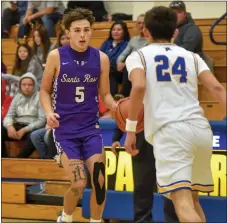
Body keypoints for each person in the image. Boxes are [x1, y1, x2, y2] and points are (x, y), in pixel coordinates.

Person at [124, 6, 226, 223]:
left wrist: (131, 130)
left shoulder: (139, 56)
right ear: (175, 32)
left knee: (182, 203)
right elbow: (218, 89)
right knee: (193, 201)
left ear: (146, 32)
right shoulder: (192, 56)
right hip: (200, 130)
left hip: (171, 132)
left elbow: (139, 86)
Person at [40, 8, 117, 223]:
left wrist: (118, 106)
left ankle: (95, 221)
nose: (83, 35)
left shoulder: (101, 58)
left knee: (100, 181)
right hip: (65, 130)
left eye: (86, 30)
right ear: (67, 32)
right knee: (79, 183)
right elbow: (44, 90)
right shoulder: (56, 56)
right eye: (77, 30)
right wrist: (48, 113)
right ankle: (65, 217)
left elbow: (106, 94)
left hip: (90, 128)